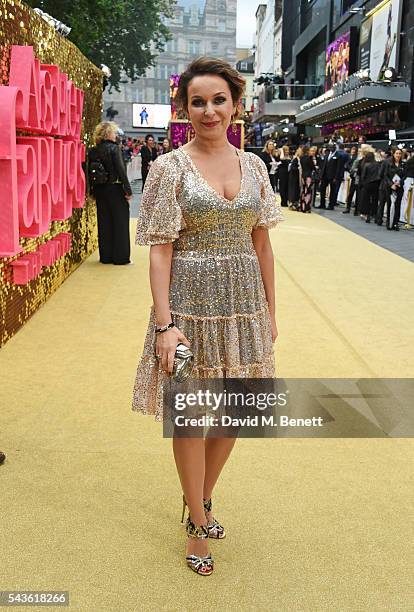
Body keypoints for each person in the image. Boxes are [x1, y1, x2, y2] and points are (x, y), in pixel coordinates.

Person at [132, 57, 283, 576]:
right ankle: (197, 523)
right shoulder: (168, 168)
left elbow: (261, 244)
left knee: (236, 413)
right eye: (198, 101)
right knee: (191, 419)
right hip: (189, 308)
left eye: (220, 100)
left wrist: (270, 310)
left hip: (244, 306)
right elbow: (159, 250)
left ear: (236, 106)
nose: (210, 110)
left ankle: (202, 496)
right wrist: (164, 324)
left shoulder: (256, 167)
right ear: (184, 108)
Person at [88, 121, 132, 265]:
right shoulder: (114, 149)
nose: (115, 135)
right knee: (120, 223)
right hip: (115, 189)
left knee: (104, 223)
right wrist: (128, 190)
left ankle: (105, 256)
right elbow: (121, 171)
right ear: (108, 134)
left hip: (100, 190)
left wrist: (91, 191)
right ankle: (120, 257)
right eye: (113, 132)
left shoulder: (93, 150)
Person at [377, 148, 404, 229]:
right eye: (397, 153)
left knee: (397, 205)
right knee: (388, 205)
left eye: (400, 153)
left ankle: (395, 223)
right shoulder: (388, 163)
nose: (398, 155)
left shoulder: (403, 164)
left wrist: (400, 182)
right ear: (393, 154)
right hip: (388, 187)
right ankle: (389, 223)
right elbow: (385, 175)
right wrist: (391, 184)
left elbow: (405, 175)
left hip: (399, 187)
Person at [359, 151, 381, 223]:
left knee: (366, 200)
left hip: (367, 184)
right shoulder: (377, 164)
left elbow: (363, 176)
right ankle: (374, 215)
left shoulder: (366, 165)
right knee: (375, 200)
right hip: (376, 184)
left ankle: (367, 215)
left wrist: (363, 183)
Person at [342, 145, 359, 214]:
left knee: (358, 195)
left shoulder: (357, 158)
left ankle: (356, 210)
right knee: (351, 193)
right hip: (354, 177)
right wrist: (350, 170)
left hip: (358, 178)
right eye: (352, 149)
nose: (353, 151)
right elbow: (347, 165)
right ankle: (348, 208)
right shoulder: (350, 157)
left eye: (354, 150)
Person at [299, 145, 315, 213]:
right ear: (308, 151)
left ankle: (302, 207)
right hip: (309, 176)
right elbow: (312, 167)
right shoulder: (309, 158)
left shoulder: (301, 158)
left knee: (303, 191)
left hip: (303, 176)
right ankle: (307, 207)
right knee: (308, 192)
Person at [288, 146, 303, 210]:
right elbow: (293, 168)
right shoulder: (295, 159)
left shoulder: (300, 159)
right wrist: (298, 168)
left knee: (297, 190)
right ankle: (292, 203)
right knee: (293, 190)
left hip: (298, 177)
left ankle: (296, 202)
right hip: (294, 178)